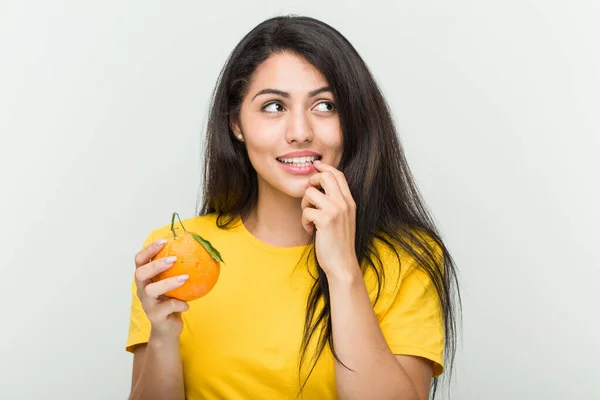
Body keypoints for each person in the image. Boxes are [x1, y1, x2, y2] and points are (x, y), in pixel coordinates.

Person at [126, 15, 460, 400]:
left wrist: (342, 269)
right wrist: (163, 335)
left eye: (324, 105)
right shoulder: (175, 252)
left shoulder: (407, 258)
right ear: (237, 123)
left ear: (352, 119)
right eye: (273, 107)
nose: (300, 131)